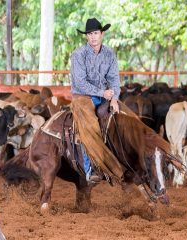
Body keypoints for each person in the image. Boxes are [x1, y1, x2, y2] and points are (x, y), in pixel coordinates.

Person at [70, 18, 124, 183]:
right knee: (89, 124)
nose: (92, 37)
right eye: (89, 34)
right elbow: (80, 82)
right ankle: (89, 169)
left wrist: (114, 98)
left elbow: (114, 79)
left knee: (121, 118)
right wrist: (102, 92)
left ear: (102, 34)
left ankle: (123, 163)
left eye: (95, 33)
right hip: (82, 96)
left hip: (105, 95)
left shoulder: (109, 54)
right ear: (86, 36)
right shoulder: (78, 55)